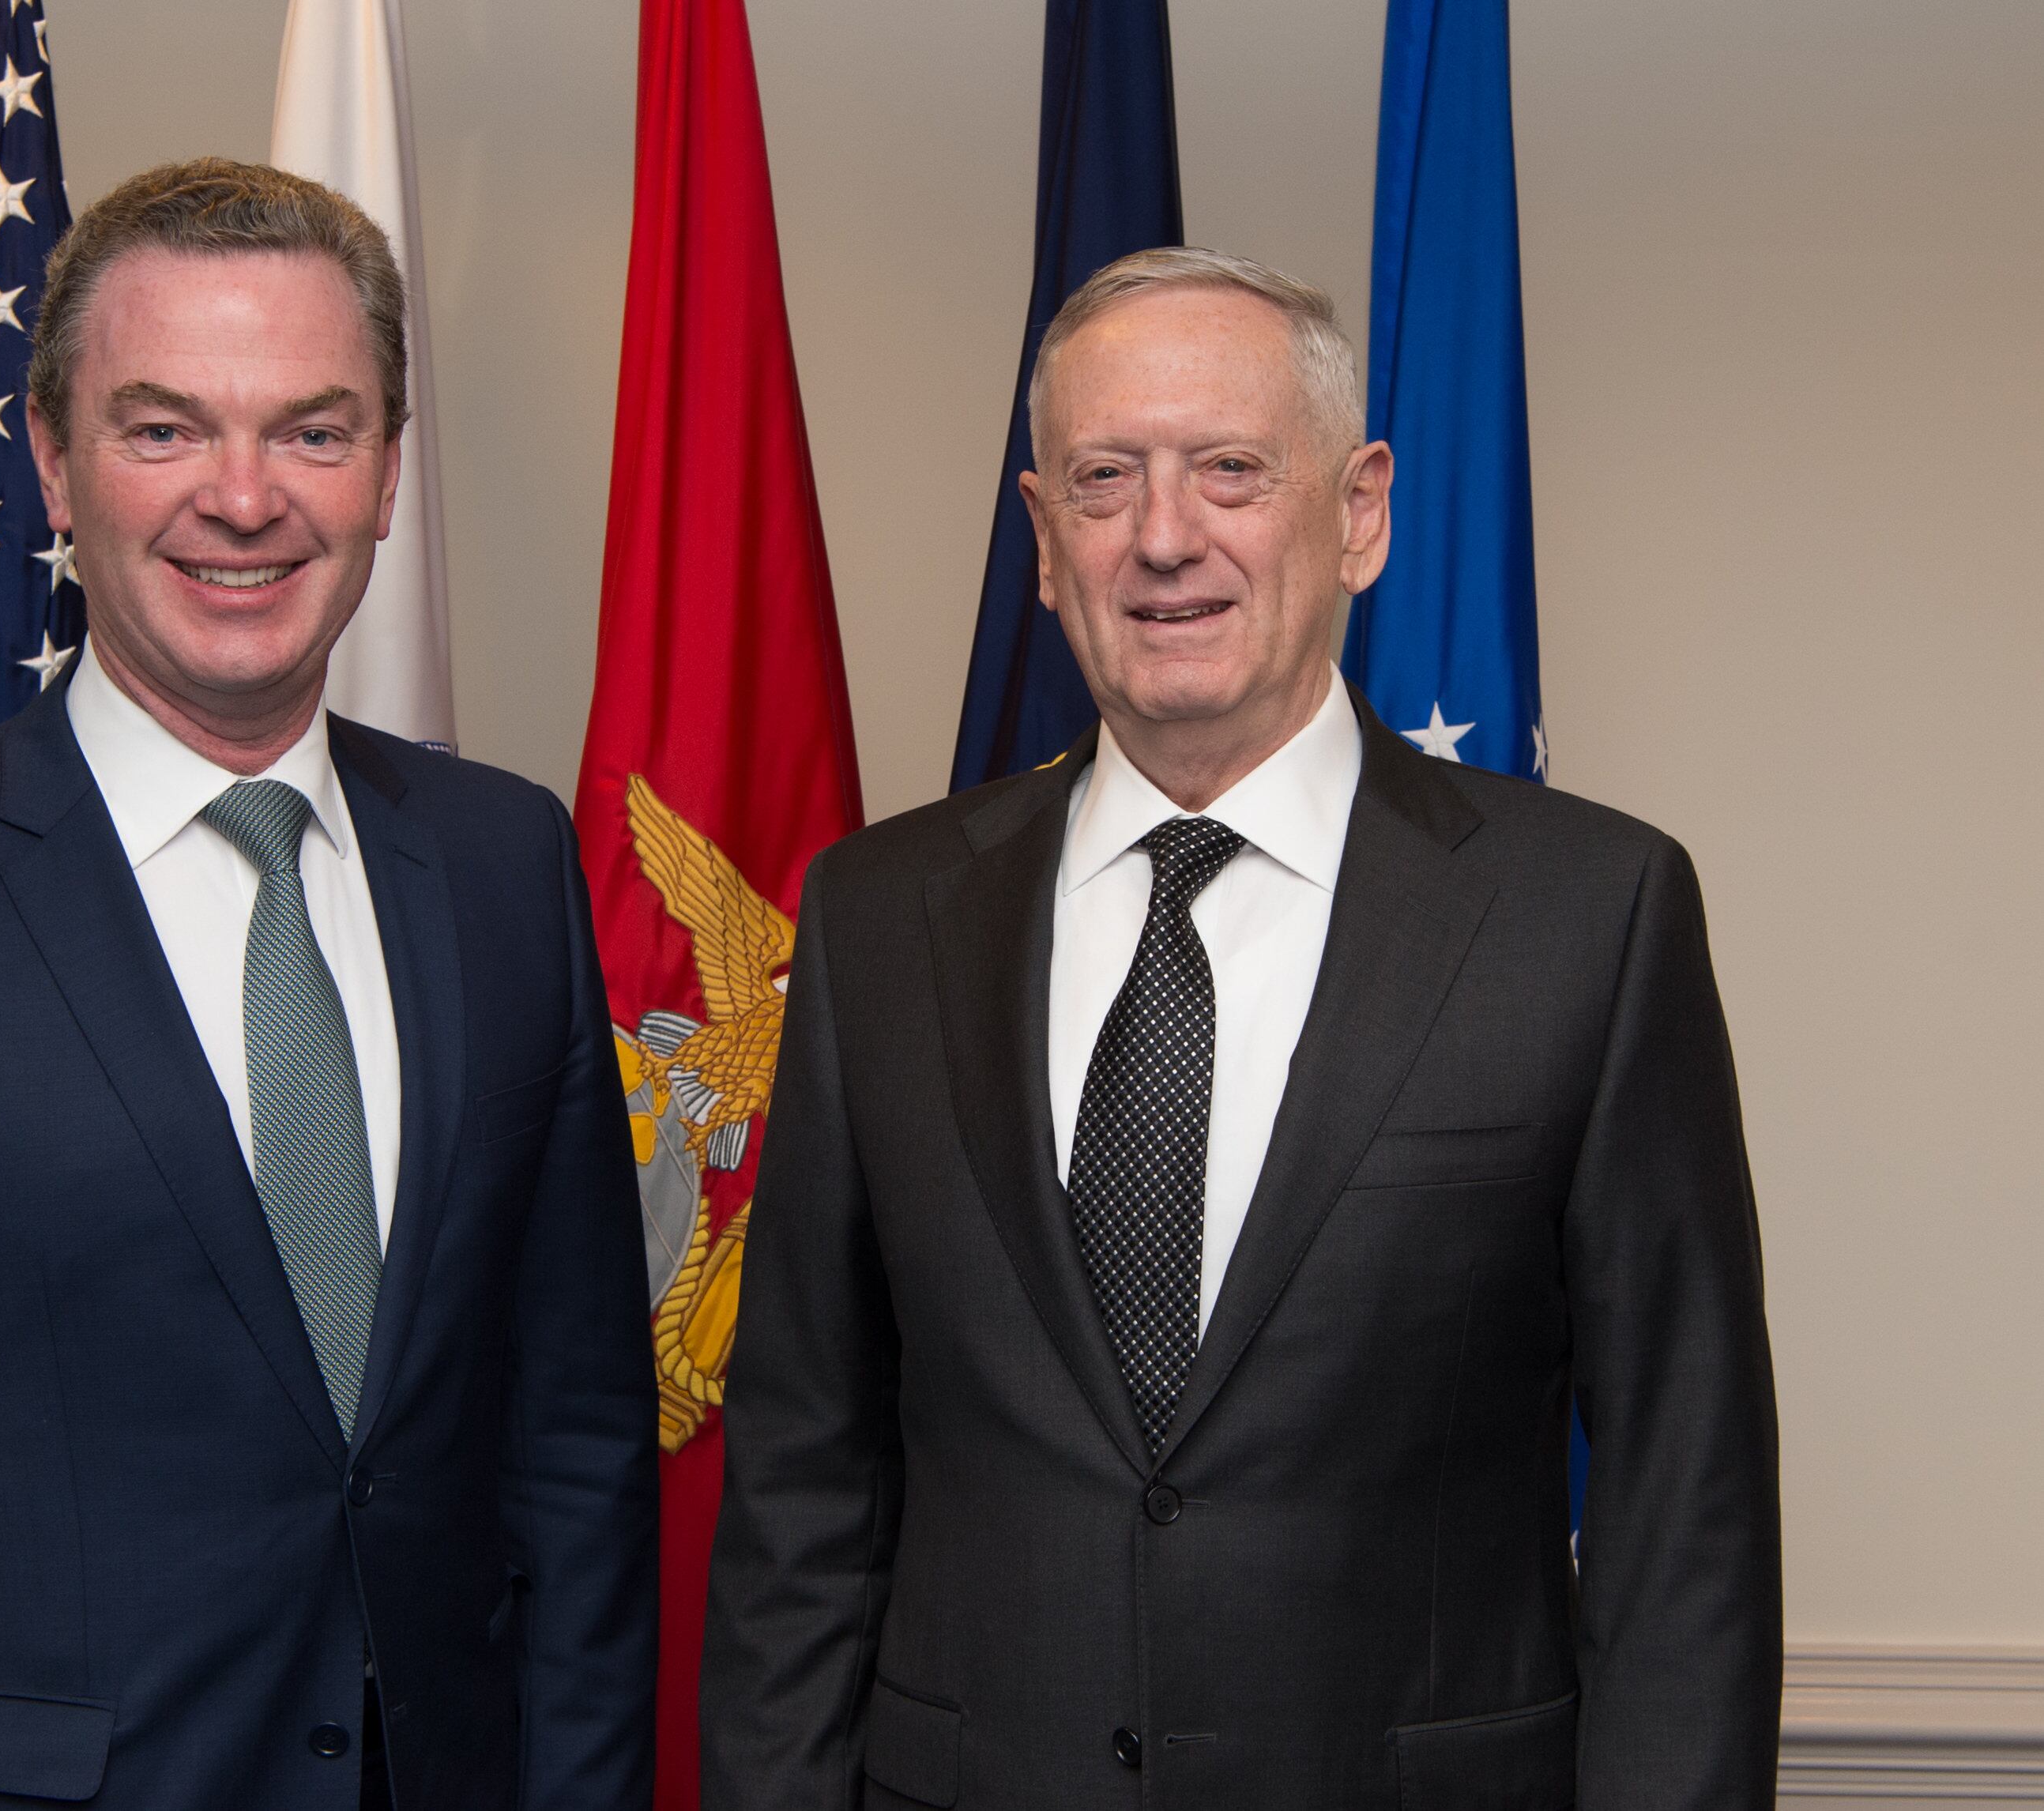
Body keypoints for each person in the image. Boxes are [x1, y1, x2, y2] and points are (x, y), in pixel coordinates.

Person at [0, 159, 658, 1811]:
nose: (243, 500)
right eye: (165, 428)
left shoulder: (502, 866)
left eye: (313, 432)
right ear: (53, 463)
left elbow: (579, 1453)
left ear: (388, 474)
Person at [702, 247, 1781, 1808]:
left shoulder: (1588, 917)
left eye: (1230, 470)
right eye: (1105, 478)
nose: (1164, 536)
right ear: (1044, 541)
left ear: (1360, 514)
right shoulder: (880, 920)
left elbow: (1688, 1505)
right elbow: (805, 1477)